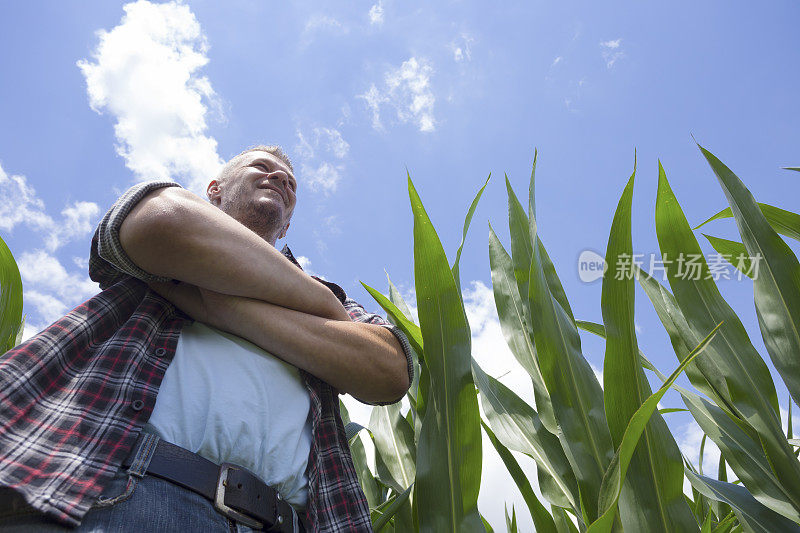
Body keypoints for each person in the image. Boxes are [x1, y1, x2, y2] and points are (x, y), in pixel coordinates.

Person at [0, 145, 414, 532]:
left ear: (286, 226)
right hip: (120, 486)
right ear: (214, 192)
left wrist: (221, 307)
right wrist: (320, 311)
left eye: (290, 183)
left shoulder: (333, 294)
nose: (280, 180)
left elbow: (389, 370)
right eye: (262, 168)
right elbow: (160, 222)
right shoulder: (182, 216)